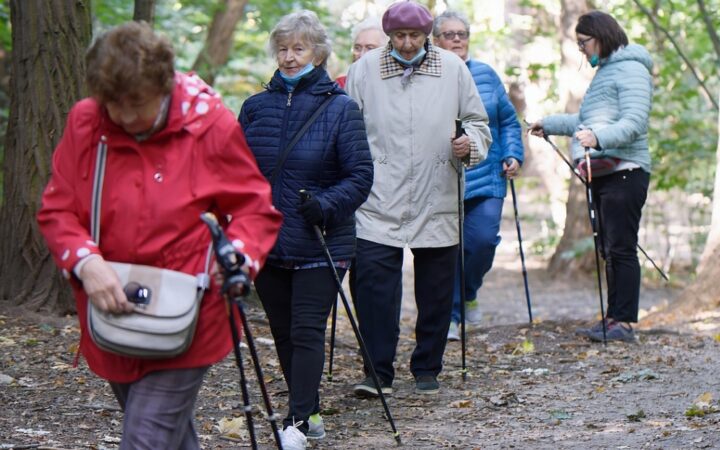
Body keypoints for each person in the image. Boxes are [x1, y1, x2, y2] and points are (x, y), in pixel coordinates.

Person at [36, 21, 282, 449]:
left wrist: (239, 256)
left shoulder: (209, 127)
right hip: (114, 311)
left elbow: (254, 209)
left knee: (145, 436)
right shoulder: (87, 122)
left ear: (164, 86)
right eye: (115, 104)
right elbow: (58, 208)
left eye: (137, 103)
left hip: (189, 312)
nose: (126, 117)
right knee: (164, 432)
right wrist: (84, 261)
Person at [238, 10, 373, 449]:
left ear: (317, 53)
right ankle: (310, 408)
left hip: (322, 239)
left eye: (299, 48)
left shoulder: (341, 108)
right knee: (281, 330)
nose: (290, 57)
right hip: (269, 239)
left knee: (306, 329)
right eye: (283, 48)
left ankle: (296, 422)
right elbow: (236, 171)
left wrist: (325, 205)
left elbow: (360, 175)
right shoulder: (256, 108)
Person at [345, 0, 491, 397]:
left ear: (427, 35)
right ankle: (376, 373)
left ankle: (427, 367)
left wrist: (469, 145)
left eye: (414, 36)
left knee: (437, 289)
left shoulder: (453, 69)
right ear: (388, 35)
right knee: (374, 288)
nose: (407, 44)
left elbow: (479, 123)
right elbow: (348, 127)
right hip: (378, 194)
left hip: (436, 188)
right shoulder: (364, 71)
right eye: (399, 36)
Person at [529, 10, 653, 342]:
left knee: (622, 248)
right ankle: (613, 318)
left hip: (626, 170)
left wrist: (599, 138)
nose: (582, 50)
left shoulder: (631, 70)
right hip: (604, 173)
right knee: (609, 248)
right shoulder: (607, 72)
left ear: (601, 35)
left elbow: (635, 121)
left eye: (584, 42)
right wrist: (550, 124)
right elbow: (586, 121)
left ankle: (623, 324)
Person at [432, 11, 525, 341]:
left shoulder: (486, 75)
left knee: (481, 243)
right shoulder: (431, 76)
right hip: (442, 179)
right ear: (435, 40)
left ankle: (468, 291)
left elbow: (509, 122)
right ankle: (453, 316)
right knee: (446, 251)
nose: (457, 39)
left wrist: (513, 154)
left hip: (487, 178)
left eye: (462, 33)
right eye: (449, 34)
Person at [335, 17, 386, 89]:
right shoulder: (340, 85)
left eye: (370, 48)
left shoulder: (394, 86)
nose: (361, 55)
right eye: (357, 48)